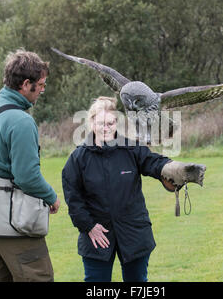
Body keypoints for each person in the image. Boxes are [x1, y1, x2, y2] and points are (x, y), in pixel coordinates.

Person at [62, 96, 206, 282]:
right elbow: (73, 199)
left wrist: (174, 168)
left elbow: (153, 162)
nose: (105, 128)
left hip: (134, 231)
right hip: (97, 234)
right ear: (91, 123)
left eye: (110, 123)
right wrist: (88, 226)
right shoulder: (78, 158)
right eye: (100, 123)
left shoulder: (130, 149)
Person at [0, 48, 60, 282]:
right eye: (40, 85)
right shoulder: (21, 120)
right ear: (25, 84)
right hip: (15, 225)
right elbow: (26, 177)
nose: (42, 90)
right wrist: (51, 196)